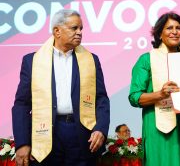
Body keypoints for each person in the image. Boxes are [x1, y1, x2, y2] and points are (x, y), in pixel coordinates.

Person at [12, 9, 110, 166]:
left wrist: (101, 128)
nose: (79, 33)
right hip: (45, 134)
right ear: (57, 31)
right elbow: (21, 104)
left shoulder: (91, 60)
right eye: (74, 28)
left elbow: (101, 99)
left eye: (81, 29)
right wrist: (22, 143)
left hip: (81, 134)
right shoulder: (32, 61)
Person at [128, 12, 180, 166]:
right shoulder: (147, 59)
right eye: (169, 28)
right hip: (159, 128)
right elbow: (134, 97)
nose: (175, 32)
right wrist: (160, 94)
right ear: (159, 34)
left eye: (179, 28)